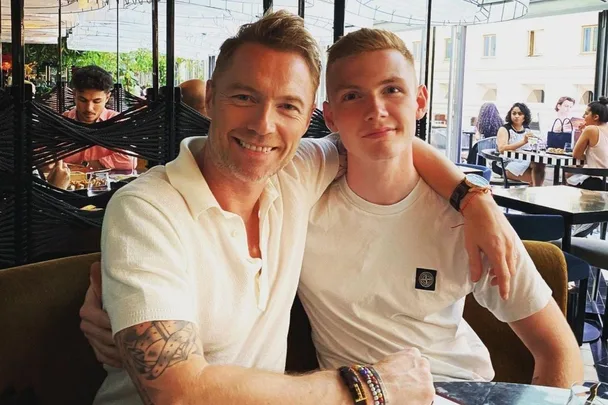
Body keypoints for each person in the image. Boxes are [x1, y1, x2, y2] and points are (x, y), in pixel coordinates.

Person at [81, 11, 520, 405]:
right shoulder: (146, 209)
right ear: (211, 98)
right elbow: (177, 393)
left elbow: (388, 138)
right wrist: (366, 386)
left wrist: (472, 198)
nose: (264, 124)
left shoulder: (295, 172)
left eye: (287, 106)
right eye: (244, 98)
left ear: (310, 115)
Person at [298, 28, 582, 387]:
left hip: (458, 388)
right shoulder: (302, 204)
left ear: (420, 101)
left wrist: (472, 199)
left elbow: (556, 349)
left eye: (392, 90)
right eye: (353, 95)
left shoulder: (470, 219)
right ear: (331, 117)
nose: (376, 110)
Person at [62, 65, 136, 171]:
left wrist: (84, 165)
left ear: (107, 98)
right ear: (74, 95)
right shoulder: (61, 122)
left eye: (96, 101)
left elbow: (128, 161)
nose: (89, 108)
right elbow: (45, 161)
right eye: (83, 100)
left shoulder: (118, 123)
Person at [496, 102, 546, 186]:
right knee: (537, 179)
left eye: (520, 114)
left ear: (524, 117)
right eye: (514, 113)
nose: (516, 116)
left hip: (523, 161)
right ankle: (535, 192)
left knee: (540, 163)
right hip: (507, 164)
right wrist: (523, 141)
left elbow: (531, 147)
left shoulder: (527, 129)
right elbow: (502, 149)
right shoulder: (504, 129)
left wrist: (537, 142)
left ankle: (534, 192)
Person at [569, 97, 608, 190]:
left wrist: (582, 132)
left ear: (595, 117)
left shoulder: (591, 130)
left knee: (567, 177)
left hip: (597, 180)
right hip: (605, 180)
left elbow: (576, 154)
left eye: (586, 113)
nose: (583, 116)